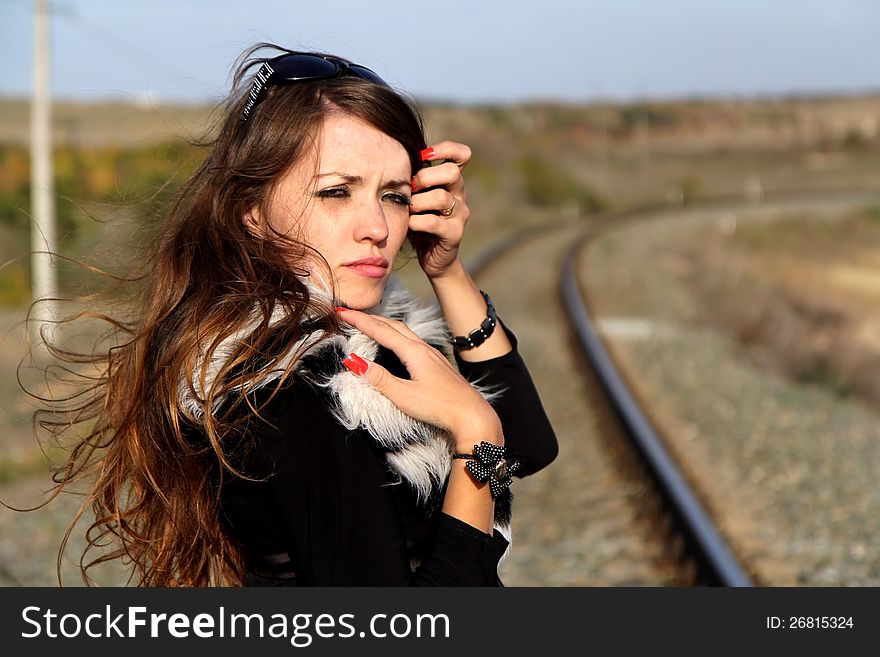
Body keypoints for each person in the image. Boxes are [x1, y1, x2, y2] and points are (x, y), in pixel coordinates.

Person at [38, 44, 557, 586]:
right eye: (336, 192)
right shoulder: (292, 386)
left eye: (395, 196)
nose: (377, 226)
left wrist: (446, 273)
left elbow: (525, 448)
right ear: (252, 212)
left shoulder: (357, 334)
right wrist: (474, 433)